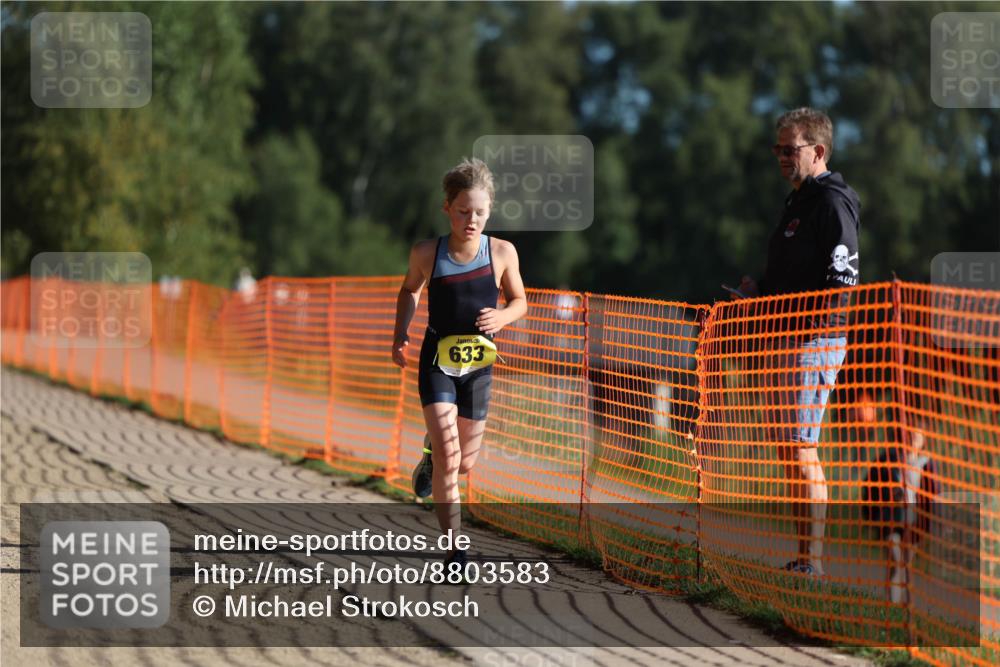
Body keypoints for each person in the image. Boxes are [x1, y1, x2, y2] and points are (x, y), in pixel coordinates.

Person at [735, 108, 861, 577]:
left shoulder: (832, 201)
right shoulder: (798, 202)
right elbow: (794, 275)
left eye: (791, 149)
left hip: (812, 340)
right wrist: (760, 294)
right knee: (789, 449)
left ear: (818, 151)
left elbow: (841, 278)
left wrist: (801, 320)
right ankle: (802, 557)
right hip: (782, 338)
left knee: (801, 447)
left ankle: (813, 562)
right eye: (778, 149)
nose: (782, 158)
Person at [391, 157, 528, 569]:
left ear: (489, 212)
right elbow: (409, 291)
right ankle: (454, 551)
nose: (472, 220)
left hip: (479, 368)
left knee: (464, 462)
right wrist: (400, 334)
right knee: (453, 459)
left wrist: (502, 317)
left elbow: (520, 301)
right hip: (438, 362)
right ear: (447, 208)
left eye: (480, 213)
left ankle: (431, 454)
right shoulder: (427, 253)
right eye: (464, 211)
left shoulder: (501, 252)